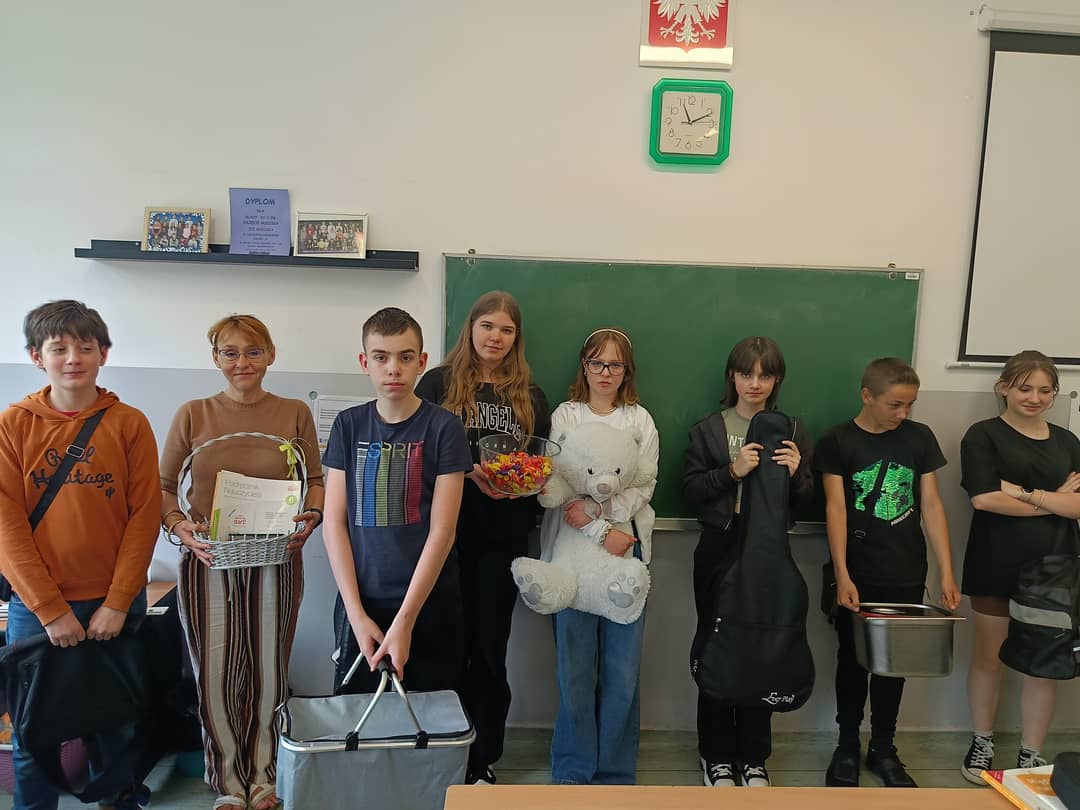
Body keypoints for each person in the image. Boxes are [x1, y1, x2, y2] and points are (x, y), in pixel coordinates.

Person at [0, 300, 161, 810]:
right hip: (36, 611)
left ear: (103, 354)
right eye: (59, 348)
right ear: (36, 356)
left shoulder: (129, 423)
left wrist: (118, 601)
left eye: (85, 347)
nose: (73, 358)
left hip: (115, 605)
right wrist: (50, 610)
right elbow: (6, 528)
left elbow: (144, 517)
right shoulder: (13, 425)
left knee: (120, 731)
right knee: (34, 737)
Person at [159, 314, 325, 810]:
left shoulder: (294, 413)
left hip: (275, 557)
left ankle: (265, 776)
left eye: (253, 351)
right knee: (215, 673)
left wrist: (313, 515)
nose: (242, 362)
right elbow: (163, 487)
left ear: (270, 354)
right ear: (215, 358)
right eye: (229, 352)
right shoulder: (193, 414)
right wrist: (178, 527)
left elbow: (315, 480)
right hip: (208, 558)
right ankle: (228, 782)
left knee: (268, 669)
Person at [415, 291, 550, 785]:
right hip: (444, 538)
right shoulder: (437, 383)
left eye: (507, 329)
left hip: (503, 538)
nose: (496, 337)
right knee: (445, 646)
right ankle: (443, 752)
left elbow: (539, 463)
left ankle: (482, 758)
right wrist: (466, 470)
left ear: (517, 338)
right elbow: (416, 451)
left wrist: (527, 483)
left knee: (491, 649)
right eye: (488, 326)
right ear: (470, 328)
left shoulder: (530, 395)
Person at [815, 357, 961, 789]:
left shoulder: (919, 438)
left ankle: (883, 747)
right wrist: (843, 574)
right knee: (852, 661)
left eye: (910, 404)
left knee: (893, 666)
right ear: (867, 396)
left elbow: (931, 505)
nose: (904, 413)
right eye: (895, 404)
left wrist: (946, 572)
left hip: (906, 571)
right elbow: (835, 508)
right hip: (858, 572)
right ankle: (846, 745)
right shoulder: (837, 441)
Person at [682, 336, 813, 789]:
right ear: (732, 377)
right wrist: (731, 472)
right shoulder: (709, 429)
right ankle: (716, 755)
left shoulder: (791, 429)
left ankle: (754, 757)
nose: (754, 383)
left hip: (769, 551)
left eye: (765, 375)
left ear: (777, 380)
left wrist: (797, 476)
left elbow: (808, 501)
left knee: (763, 647)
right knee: (718, 646)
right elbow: (690, 490)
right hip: (720, 545)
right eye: (745, 373)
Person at [322, 307, 472, 698]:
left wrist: (405, 621)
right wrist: (356, 615)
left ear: (421, 362)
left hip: (428, 603)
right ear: (365, 363)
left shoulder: (444, 428)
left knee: (430, 716)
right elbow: (333, 523)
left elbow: (443, 531)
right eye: (381, 357)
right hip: (362, 603)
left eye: (405, 357)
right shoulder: (348, 425)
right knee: (358, 718)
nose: (393, 369)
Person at [537, 327, 658, 785]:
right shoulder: (566, 415)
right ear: (584, 367)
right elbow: (561, 478)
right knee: (574, 670)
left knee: (621, 672)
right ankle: (573, 767)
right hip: (569, 559)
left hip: (625, 555)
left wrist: (600, 516)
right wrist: (590, 520)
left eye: (615, 364)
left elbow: (644, 484)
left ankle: (614, 771)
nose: (605, 372)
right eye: (597, 363)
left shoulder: (639, 421)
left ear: (627, 371)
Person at [959, 350, 1080, 781]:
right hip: (994, 562)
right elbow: (984, 498)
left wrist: (1024, 493)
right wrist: (1055, 499)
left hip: (1054, 570)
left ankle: (1031, 755)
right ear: (1004, 388)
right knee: (989, 658)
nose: (1035, 398)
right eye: (1025, 388)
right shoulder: (982, 435)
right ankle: (982, 742)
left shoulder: (1068, 442)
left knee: (1041, 664)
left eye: (1045, 390)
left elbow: (1078, 507)